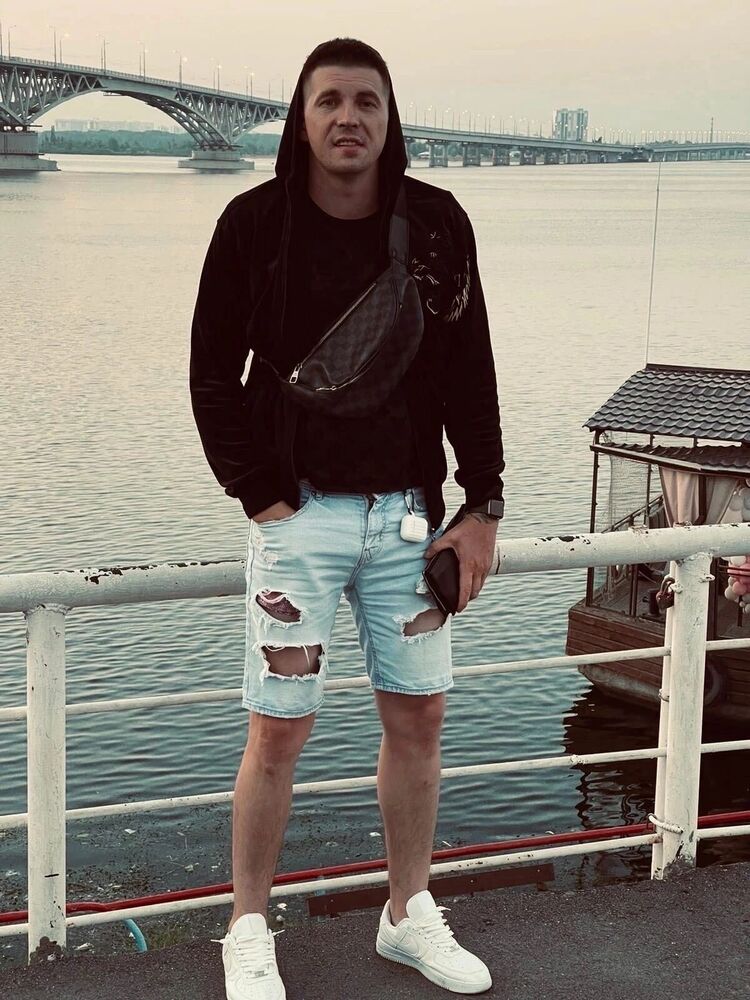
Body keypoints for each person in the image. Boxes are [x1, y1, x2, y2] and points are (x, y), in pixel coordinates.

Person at [190, 37, 505, 1000]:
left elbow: (471, 368)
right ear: (301, 117)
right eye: (328, 100)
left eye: (366, 100)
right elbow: (211, 373)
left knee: (419, 721)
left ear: (389, 116)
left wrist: (482, 502)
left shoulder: (437, 224)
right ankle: (248, 927)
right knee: (278, 730)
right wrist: (262, 496)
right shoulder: (253, 225)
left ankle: (406, 913)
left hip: (411, 521)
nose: (348, 118)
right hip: (301, 524)